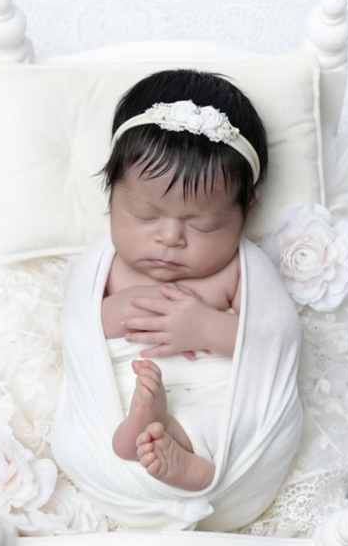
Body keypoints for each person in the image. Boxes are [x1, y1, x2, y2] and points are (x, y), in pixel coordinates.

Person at [94, 69, 269, 492]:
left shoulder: (239, 271)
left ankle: (193, 462)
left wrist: (207, 327)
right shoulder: (106, 266)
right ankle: (145, 427)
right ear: (111, 193)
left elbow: (273, 343)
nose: (169, 238)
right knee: (115, 406)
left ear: (246, 209)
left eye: (204, 225)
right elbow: (78, 330)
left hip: (213, 386)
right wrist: (118, 313)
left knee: (229, 412)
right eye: (145, 216)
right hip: (134, 376)